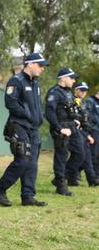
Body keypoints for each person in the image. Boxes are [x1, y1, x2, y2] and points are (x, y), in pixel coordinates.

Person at [0, 53, 48, 206]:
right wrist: (28, 115)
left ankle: (28, 196)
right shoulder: (16, 81)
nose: (42, 68)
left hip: (33, 128)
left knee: (32, 162)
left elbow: (37, 106)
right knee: (22, 160)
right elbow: (11, 103)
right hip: (19, 125)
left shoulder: (35, 83)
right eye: (40, 65)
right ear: (30, 64)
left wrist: (39, 117)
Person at [44, 67, 81, 196]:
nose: (74, 80)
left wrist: (75, 119)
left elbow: (70, 109)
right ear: (63, 78)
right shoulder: (54, 92)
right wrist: (59, 128)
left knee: (80, 153)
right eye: (71, 78)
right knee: (62, 156)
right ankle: (61, 184)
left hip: (72, 126)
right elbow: (49, 112)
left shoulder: (69, 93)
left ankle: (60, 177)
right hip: (62, 127)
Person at [68, 82, 98, 186]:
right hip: (74, 131)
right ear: (76, 89)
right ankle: (63, 175)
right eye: (81, 90)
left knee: (87, 157)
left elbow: (85, 120)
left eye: (85, 90)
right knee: (81, 156)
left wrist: (87, 134)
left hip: (83, 132)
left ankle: (90, 179)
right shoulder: (70, 101)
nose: (84, 92)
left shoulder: (83, 103)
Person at [83, 88, 99, 174]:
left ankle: (74, 172)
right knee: (94, 153)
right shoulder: (90, 101)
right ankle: (95, 174)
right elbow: (86, 115)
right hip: (94, 130)